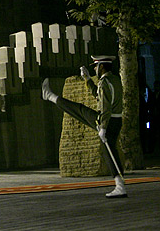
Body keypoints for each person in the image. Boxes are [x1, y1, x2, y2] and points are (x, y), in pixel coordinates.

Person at [41, 55, 126, 198]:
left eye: (96, 66)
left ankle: (50, 96)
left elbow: (105, 107)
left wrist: (103, 127)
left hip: (106, 120)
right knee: (109, 149)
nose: (94, 68)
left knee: (79, 110)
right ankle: (119, 185)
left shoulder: (105, 82)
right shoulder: (115, 80)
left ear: (102, 66)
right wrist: (87, 79)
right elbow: (98, 96)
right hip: (116, 120)